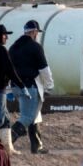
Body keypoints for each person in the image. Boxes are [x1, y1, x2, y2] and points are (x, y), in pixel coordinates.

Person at [9, 19, 54, 155]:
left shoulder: (13, 47)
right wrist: (49, 85)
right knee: (28, 117)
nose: (37, 35)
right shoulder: (35, 47)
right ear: (34, 32)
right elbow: (44, 69)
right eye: (37, 32)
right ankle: (6, 143)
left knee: (33, 115)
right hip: (30, 86)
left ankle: (36, 146)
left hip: (16, 86)